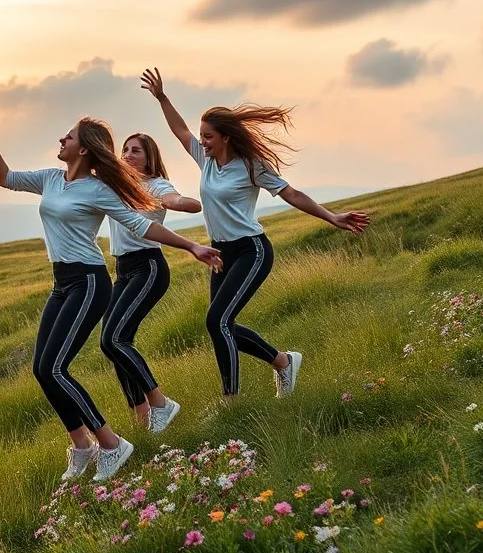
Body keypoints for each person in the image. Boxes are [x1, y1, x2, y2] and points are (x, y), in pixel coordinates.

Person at [0, 105, 224, 482]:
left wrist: (191, 246)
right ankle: (84, 447)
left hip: (89, 281)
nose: (61, 139)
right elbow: (4, 177)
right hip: (62, 283)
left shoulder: (99, 189)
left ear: (83, 149)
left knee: (57, 367)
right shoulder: (51, 179)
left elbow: (140, 225)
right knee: (43, 368)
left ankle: (111, 444)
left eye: (68, 136)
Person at [140, 68, 370, 400]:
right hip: (221, 253)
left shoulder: (251, 165)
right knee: (219, 324)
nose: (201, 142)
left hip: (251, 250)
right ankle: (283, 361)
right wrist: (162, 97)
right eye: (202, 136)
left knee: (218, 321)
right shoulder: (206, 161)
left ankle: (230, 401)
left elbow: (291, 194)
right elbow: (179, 131)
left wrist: (332, 217)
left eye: (208, 137)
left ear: (226, 138)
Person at [102, 133, 201, 432]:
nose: (129, 154)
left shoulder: (156, 185)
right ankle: (144, 420)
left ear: (150, 158)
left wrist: (182, 203)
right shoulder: (115, 185)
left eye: (136, 151)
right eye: (125, 149)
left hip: (148, 268)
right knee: (112, 344)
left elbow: (174, 198)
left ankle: (161, 404)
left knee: (114, 339)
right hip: (122, 270)